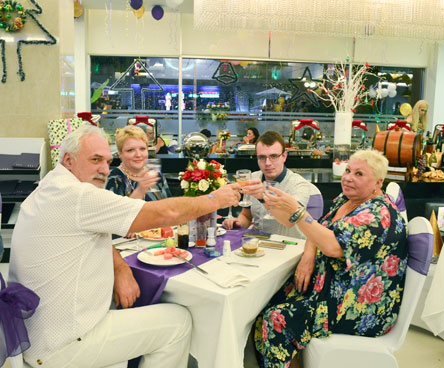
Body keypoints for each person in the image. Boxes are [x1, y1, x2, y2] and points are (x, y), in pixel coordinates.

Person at [8, 125, 240, 368]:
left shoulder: (48, 187)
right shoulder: (80, 196)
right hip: (63, 345)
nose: (104, 170)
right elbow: (165, 213)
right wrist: (215, 199)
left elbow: (94, 230)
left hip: (33, 336)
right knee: (178, 322)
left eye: (107, 161)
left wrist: (120, 267)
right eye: (95, 160)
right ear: (68, 160)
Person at [254, 149, 407, 368]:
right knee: (265, 300)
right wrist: (307, 254)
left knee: (277, 318)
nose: (348, 177)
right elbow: (317, 228)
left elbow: (332, 245)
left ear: (378, 182)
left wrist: (297, 211)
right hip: (333, 287)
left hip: (357, 305)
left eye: (359, 174)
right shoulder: (347, 200)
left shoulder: (377, 215)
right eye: (347, 170)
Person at [223, 131, 314, 239]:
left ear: (284, 156)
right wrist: (237, 223)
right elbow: (246, 216)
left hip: (288, 247)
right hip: (256, 245)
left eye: (273, 156)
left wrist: (263, 197)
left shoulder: (299, 185)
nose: (267, 163)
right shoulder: (253, 178)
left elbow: (289, 220)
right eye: (262, 157)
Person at [106, 125, 171, 202]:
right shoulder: (113, 179)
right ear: (120, 154)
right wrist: (140, 191)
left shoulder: (155, 174)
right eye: (130, 150)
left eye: (142, 149)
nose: (138, 155)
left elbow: (167, 206)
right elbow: (116, 213)